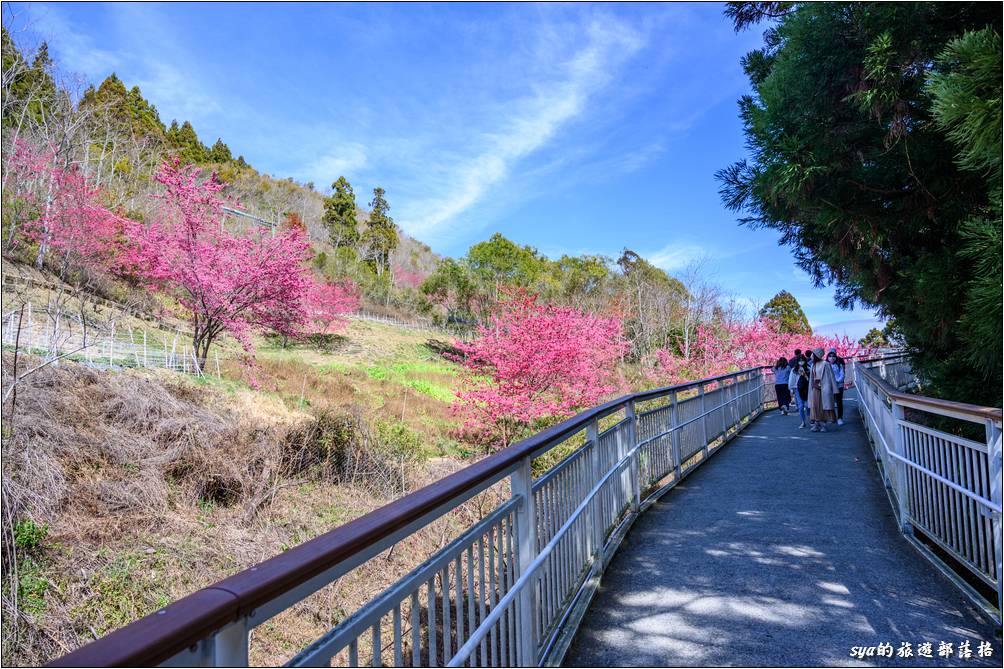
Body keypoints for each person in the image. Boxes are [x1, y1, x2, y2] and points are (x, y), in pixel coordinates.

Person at [808, 347, 837, 431]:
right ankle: (817, 424)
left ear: (817, 355)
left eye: (813, 354)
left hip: (824, 387)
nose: (811, 356)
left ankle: (823, 425)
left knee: (823, 406)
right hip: (815, 387)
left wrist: (834, 389)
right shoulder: (813, 364)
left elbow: (831, 376)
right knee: (815, 406)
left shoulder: (825, 364)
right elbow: (812, 377)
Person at [788, 355, 810, 428]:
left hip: (807, 389)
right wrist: (791, 389)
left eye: (802, 360)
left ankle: (810, 418)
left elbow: (810, 379)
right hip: (797, 388)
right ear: (797, 361)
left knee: (807, 405)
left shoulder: (808, 368)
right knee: (800, 406)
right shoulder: (794, 370)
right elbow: (791, 380)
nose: (801, 362)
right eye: (799, 360)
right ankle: (803, 422)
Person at [828, 348, 846, 425]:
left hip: (839, 385)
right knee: (830, 402)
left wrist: (837, 380)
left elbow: (842, 374)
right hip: (829, 386)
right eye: (830, 356)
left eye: (833, 356)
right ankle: (832, 417)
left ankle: (840, 418)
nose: (832, 358)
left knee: (839, 402)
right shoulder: (826, 365)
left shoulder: (839, 364)